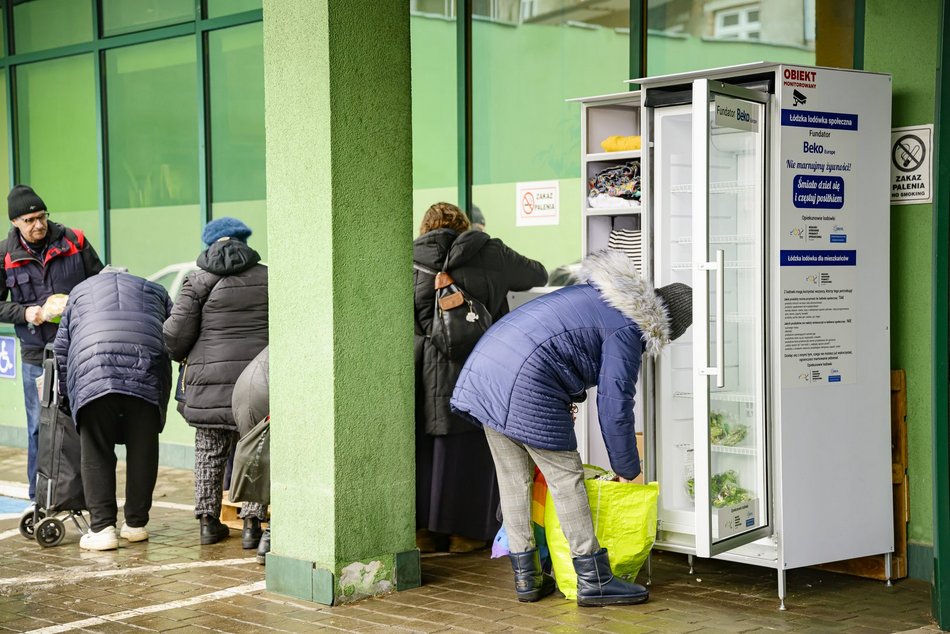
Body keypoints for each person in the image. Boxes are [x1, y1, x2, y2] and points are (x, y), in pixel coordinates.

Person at [450, 248, 692, 607]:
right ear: (666, 328)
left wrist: (564, 392)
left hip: (488, 369)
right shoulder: (628, 328)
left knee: (513, 477)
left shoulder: (601, 296)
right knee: (566, 477)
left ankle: (527, 577)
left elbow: (556, 342)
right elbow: (614, 407)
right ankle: (594, 579)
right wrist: (628, 469)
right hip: (524, 379)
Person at [413, 202, 547, 553]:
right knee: (473, 448)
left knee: (426, 450)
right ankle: (465, 534)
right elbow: (539, 275)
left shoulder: (408, 258)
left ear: (424, 228)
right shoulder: (490, 252)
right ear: (464, 226)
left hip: (422, 371)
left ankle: (423, 534)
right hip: (479, 365)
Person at [163, 217, 268, 547]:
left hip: (208, 382)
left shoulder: (196, 281)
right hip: (255, 380)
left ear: (210, 244)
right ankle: (252, 525)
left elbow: (174, 337)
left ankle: (208, 523)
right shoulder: (268, 277)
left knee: (208, 451)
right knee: (254, 450)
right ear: (245, 242)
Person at [53, 266, 172, 551]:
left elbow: (61, 349)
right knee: (144, 448)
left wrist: (70, 400)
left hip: (94, 372)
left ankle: (103, 528)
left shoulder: (80, 292)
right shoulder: (155, 290)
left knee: (96, 450)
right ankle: (136, 524)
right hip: (145, 371)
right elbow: (175, 335)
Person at [0, 185, 103, 508]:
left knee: (83, 420)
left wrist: (77, 303)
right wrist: (25, 312)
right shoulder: (4, 255)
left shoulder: (75, 241)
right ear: (16, 222)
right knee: (39, 426)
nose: (38, 225)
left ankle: (88, 495)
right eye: (29, 220)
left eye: (41, 216)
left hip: (78, 348)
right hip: (36, 353)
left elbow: (100, 282)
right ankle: (40, 498)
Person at [231, 345, 270, 564]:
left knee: (261, 461)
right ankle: (270, 539)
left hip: (244, 388)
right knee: (282, 465)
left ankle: (250, 530)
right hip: (264, 388)